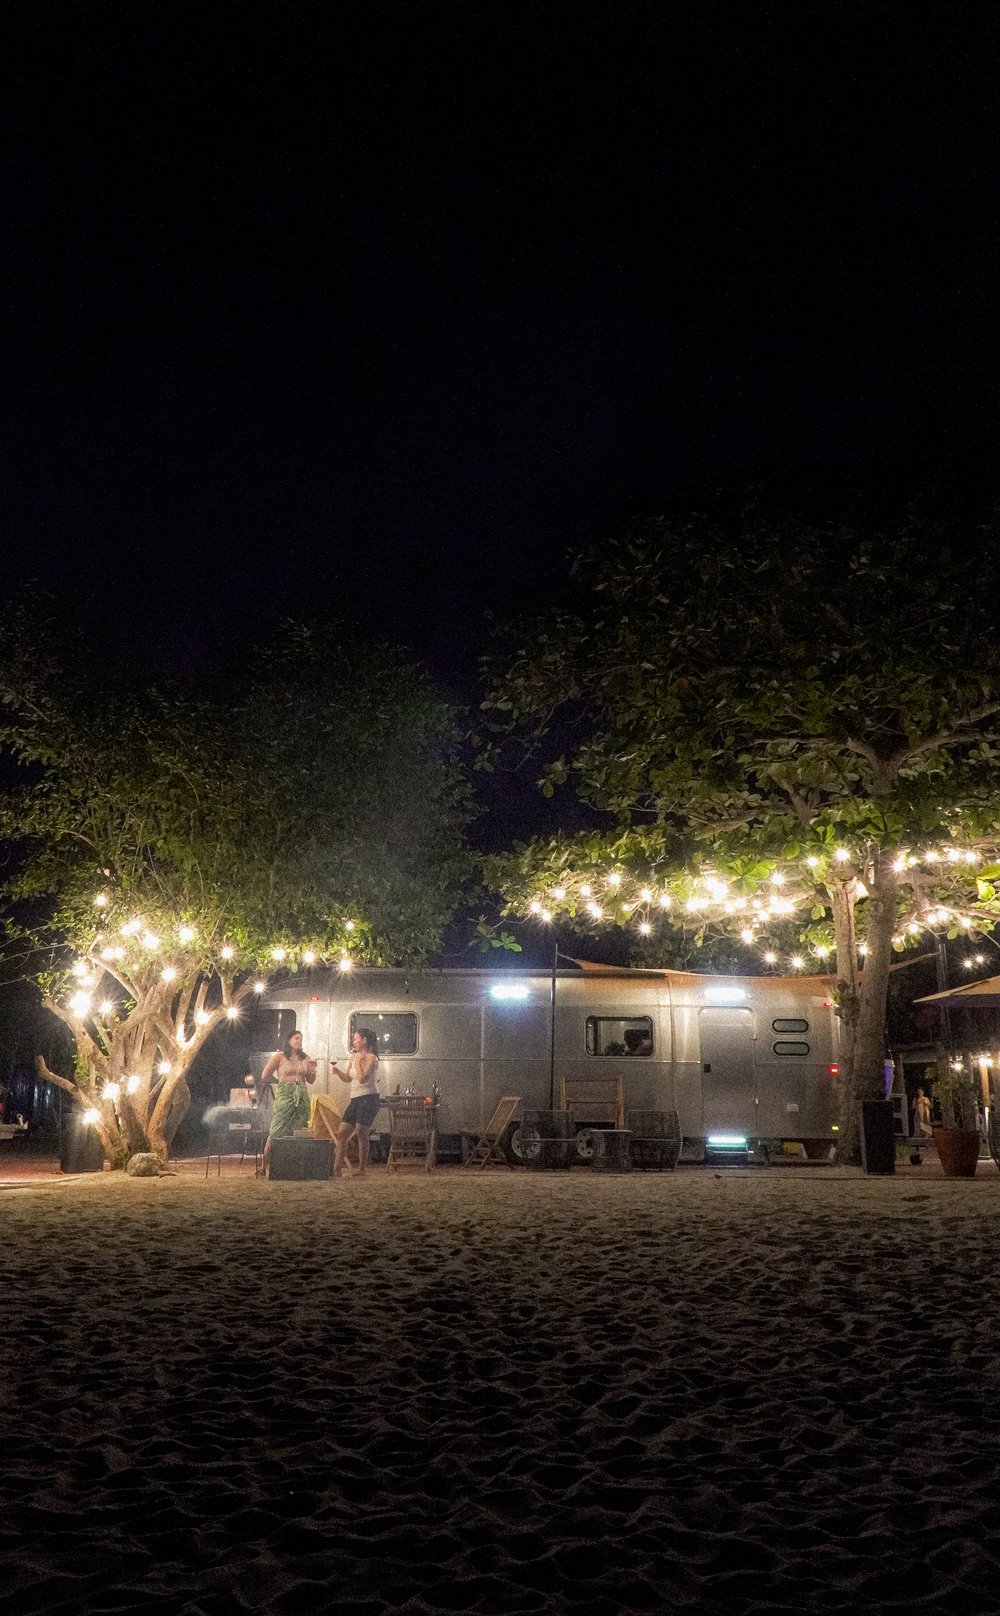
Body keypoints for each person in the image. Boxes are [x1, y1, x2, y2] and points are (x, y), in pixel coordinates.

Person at [260, 1031, 317, 1176]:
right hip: (285, 1094)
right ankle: (263, 1165)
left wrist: (312, 1070)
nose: (299, 1041)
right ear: (289, 1040)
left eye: (301, 1039)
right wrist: (281, 1085)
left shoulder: (305, 1058)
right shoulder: (279, 1057)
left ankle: (294, 1165)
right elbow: (264, 1075)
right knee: (277, 1128)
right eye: (296, 1038)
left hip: (301, 1094)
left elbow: (311, 1080)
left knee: (299, 1128)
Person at [330, 1028, 381, 1176]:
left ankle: (362, 1169)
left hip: (369, 1097)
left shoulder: (372, 1058)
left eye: (355, 1039)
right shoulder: (354, 1057)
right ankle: (337, 1168)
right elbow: (348, 1078)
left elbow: (362, 1078)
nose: (353, 1042)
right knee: (342, 1133)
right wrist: (338, 1072)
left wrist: (358, 1061)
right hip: (356, 1098)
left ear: (364, 1040)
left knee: (361, 1132)